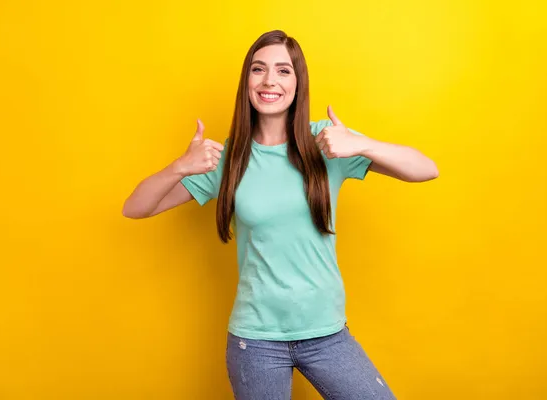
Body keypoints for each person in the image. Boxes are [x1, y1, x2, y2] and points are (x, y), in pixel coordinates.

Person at [123, 29, 438, 400]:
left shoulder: (326, 142)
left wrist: (361, 143)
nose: (270, 80)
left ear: (298, 82)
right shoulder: (228, 159)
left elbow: (425, 169)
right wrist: (180, 166)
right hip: (255, 342)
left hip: (326, 334)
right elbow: (136, 207)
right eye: (259, 70)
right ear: (247, 81)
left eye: (283, 71)